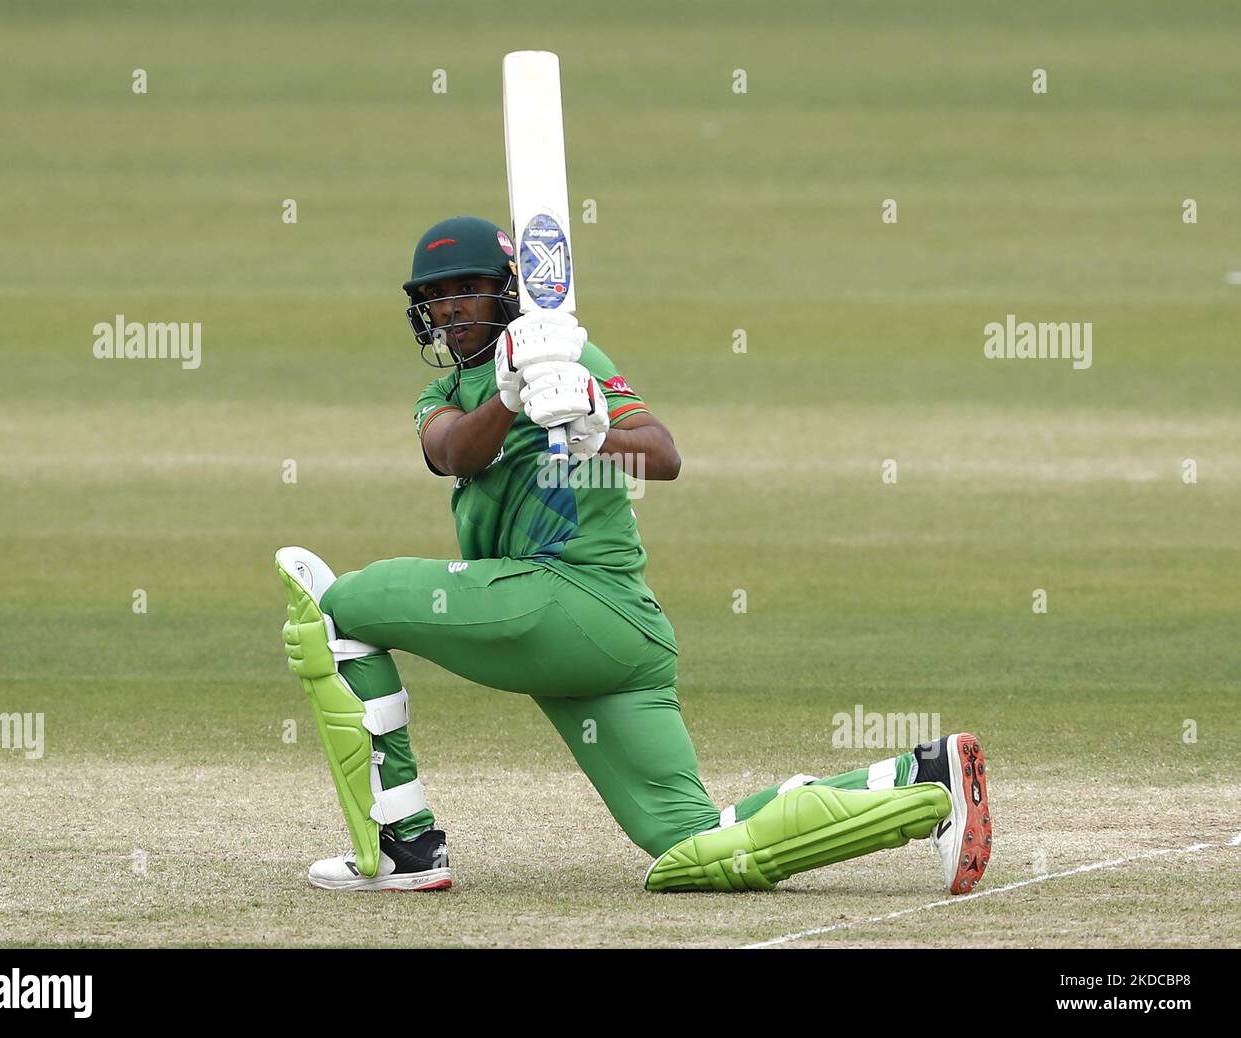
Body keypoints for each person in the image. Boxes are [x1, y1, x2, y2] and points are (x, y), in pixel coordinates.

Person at [275, 215, 993, 894]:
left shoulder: (571, 356)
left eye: (464, 290)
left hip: (574, 597)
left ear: (507, 290)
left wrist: (592, 432)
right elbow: (454, 449)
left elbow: (663, 456)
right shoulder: (444, 394)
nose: (449, 310)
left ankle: (402, 847)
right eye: (434, 299)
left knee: (340, 605)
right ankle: (924, 779)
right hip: (605, 646)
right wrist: (512, 395)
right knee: (692, 845)